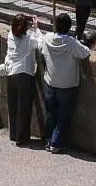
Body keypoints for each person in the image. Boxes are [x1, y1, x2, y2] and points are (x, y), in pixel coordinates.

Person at [37, 13, 91, 154]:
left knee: (51, 114)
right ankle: (56, 143)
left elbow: (39, 44)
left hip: (50, 82)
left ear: (55, 25)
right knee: (63, 116)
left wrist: (37, 29)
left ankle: (48, 140)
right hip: (67, 85)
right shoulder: (71, 42)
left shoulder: (47, 38)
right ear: (69, 27)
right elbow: (85, 53)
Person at [0, 13, 42, 145]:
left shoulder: (11, 36)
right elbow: (40, 43)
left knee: (13, 106)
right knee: (24, 107)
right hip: (24, 73)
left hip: (11, 73)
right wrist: (37, 28)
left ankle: (13, 134)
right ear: (26, 27)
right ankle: (21, 138)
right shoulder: (29, 39)